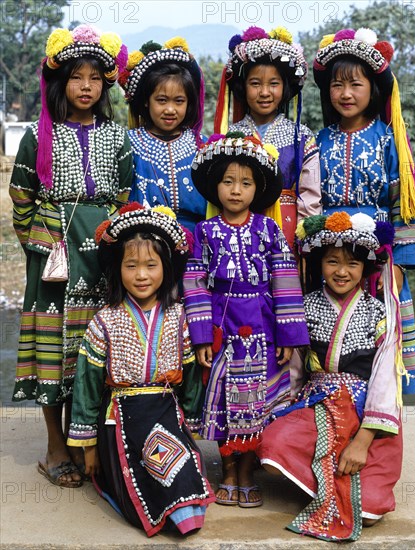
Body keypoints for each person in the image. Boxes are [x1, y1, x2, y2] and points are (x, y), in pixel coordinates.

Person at [10, 24, 133, 487]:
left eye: (95, 77)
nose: (85, 86)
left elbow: (124, 195)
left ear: (105, 84)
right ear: (60, 82)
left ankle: (90, 441)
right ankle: (55, 445)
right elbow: (21, 192)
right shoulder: (37, 136)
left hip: (100, 251)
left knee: (95, 346)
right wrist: (39, 243)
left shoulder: (117, 138)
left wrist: (108, 239)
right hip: (53, 258)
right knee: (52, 349)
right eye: (76, 77)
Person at [67, 204, 214, 536]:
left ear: (166, 268)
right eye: (131, 266)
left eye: (151, 265)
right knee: (151, 458)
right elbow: (87, 385)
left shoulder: (179, 318)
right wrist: (88, 446)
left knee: (182, 464)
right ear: (118, 269)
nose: (142, 275)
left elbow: (189, 375)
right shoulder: (105, 321)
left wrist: (191, 421)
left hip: (165, 410)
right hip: (121, 415)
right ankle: (173, 510)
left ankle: (183, 510)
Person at [258, 212, 403, 541]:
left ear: (365, 268)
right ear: (319, 263)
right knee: (271, 448)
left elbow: (385, 382)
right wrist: (277, 411)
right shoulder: (304, 308)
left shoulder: (380, 313)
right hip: (317, 403)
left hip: (365, 415)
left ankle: (326, 480)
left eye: (352, 264)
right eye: (332, 261)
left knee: (373, 509)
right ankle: (324, 482)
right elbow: (294, 371)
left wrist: (363, 443)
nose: (341, 271)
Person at [183, 132, 310, 508]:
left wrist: (289, 336)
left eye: (245, 183)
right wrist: (202, 336)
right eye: (228, 181)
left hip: (262, 328)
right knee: (225, 402)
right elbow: (195, 282)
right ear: (214, 186)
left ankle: (247, 470)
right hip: (225, 331)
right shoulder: (204, 233)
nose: (236, 190)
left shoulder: (268, 230)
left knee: (256, 405)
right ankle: (226, 471)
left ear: (258, 189)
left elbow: (285, 280)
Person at [313, 27, 415, 393]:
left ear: (373, 89)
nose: (345, 94)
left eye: (355, 84)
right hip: (329, 253)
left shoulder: (388, 139)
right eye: (337, 85)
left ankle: (382, 417)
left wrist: (402, 263)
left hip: (378, 256)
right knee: (331, 336)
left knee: (380, 336)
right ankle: (333, 408)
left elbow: (402, 200)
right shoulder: (319, 140)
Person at [214, 26, 322, 251]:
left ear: (285, 87)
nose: (264, 92)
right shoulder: (229, 137)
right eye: (255, 84)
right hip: (238, 231)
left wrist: (306, 238)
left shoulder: (301, 136)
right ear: (243, 87)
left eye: (274, 84)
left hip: (289, 230)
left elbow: (311, 197)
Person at [119, 37, 207, 234]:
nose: (170, 109)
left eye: (179, 101)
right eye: (161, 100)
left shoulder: (203, 146)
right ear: (145, 102)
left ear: (189, 104)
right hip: (143, 243)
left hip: (197, 244)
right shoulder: (127, 144)